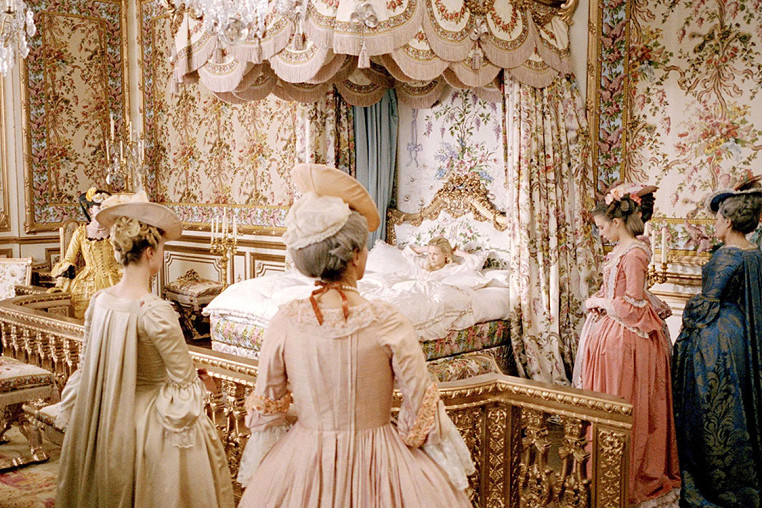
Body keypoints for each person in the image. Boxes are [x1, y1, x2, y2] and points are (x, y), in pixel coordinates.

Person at [237, 163, 475, 507]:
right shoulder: (389, 321)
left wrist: (312, 420)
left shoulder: (285, 321)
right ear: (355, 255)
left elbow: (268, 410)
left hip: (304, 457)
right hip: (380, 459)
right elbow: (420, 413)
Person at [55, 191, 234, 508]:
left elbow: (88, 367)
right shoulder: (155, 310)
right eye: (162, 248)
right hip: (148, 423)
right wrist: (205, 383)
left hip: (104, 416)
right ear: (150, 252)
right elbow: (184, 381)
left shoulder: (100, 301)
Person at [579, 190, 681, 505]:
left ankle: (630, 472)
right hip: (612, 331)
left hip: (628, 337)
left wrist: (600, 303)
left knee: (627, 400)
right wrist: (601, 300)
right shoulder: (622, 250)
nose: (600, 233)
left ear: (617, 221)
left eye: (602, 226)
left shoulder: (634, 252)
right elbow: (621, 291)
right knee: (608, 400)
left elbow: (633, 302)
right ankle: (606, 468)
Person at [672, 178, 762, 507]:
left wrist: (686, 316)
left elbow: (706, 304)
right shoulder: (755, 253)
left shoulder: (727, 256)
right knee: (740, 404)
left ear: (729, 220)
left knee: (713, 407)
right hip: (743, 334)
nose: (715, 224)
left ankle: (714, 482)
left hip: (717, 340)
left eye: (718, 218)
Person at [49, 187, 122, 318]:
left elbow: (125, 256)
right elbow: (69, 259)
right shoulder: (81, 232)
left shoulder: (115, 231)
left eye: (105, 208)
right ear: (90, 210)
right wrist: (60, 285)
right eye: (99, 207)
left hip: (114, 277)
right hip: (88, 280)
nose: (102, 211)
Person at [404, 236, 488, 273]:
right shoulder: (425, 264)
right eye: (430, 254)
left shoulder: (452, 269)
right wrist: (427, 248)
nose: (431, 257)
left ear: (445, 255)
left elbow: (477, 263)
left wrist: (460, 253)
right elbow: (406, 254)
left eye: (435, 254)